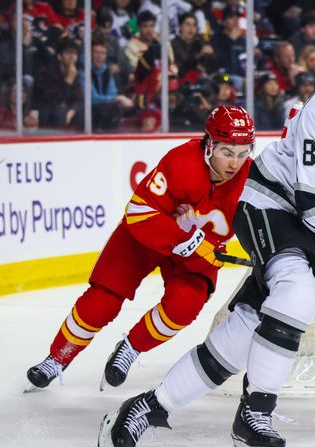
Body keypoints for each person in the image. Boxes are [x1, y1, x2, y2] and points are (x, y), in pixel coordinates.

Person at [97, 26, 315, 447]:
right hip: (272, 203)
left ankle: (149, 406)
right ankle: (255, 415)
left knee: (243, 336)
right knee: (297, 292)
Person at [25, 106, 254, 391]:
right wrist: (184, 239)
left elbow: (263, 224)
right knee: (102, 300)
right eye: (227, 153)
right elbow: (139, 212)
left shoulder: (250, 180)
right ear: (209, 145)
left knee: (185, 305)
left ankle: (130, 348)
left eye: (243, 153)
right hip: (147, 236)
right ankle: (57, 359)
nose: (234, 163)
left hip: (198, 249)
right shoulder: (181, 161)